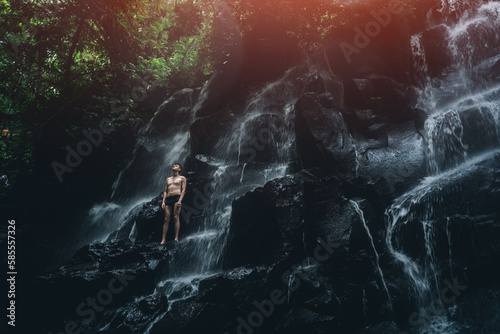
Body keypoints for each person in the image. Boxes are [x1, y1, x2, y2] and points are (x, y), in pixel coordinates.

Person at [160, 163, 186, 244]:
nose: (174, 166)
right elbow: (165, 191)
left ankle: (176, 237)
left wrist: (180, 200)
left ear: (179, 169)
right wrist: (163, 201)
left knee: (176, 217)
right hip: (168, 198)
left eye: (176, 166)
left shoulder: (182, 178)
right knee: (166, 219)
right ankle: (163, 239)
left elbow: (183, 190)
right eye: (174, 165)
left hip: (177, 197)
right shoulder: (168, 179)